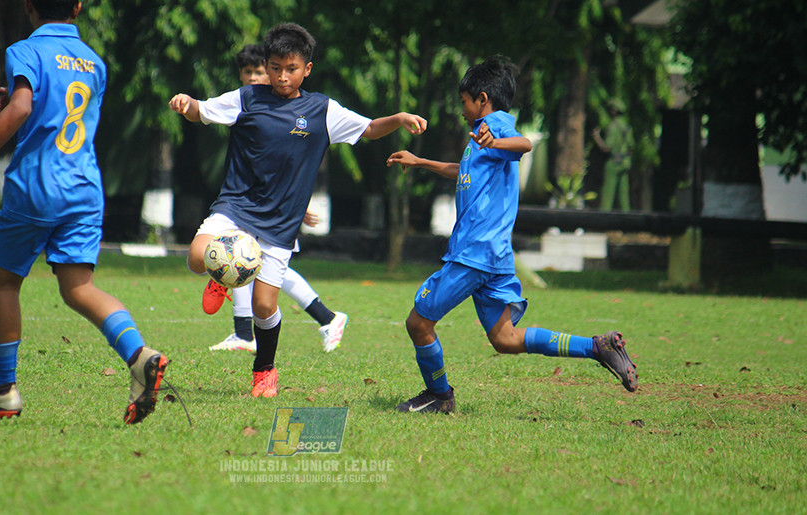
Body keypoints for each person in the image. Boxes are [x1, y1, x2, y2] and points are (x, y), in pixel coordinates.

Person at [0, 0, 168, 424]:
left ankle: (3, 393)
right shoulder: (94, 63)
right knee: (78, 286)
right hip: (84, 187)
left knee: (4, 280)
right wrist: (26, 99)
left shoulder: (24, 50)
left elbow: (23, 108)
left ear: (28, 3)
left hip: (38, 184)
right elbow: (60, 108)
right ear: (78, 8)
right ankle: (140, 355)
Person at [169, 23, 426, 397]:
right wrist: (186, 104)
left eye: (291, 69)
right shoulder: (248, 98)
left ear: (307, 69)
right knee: (195, 257)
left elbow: (368, 129)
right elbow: (203, 112)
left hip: (280, 223)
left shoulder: (321, 109)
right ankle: (222, 274)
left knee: (263, 305)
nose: (281, 76)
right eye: (274, 67)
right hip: (237, 205)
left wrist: (399, 119)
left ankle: (264, 370)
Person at [386, 55, 637, 414]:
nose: (462, 110)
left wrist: (495, 141)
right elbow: (467, 171)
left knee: (418, 323)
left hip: (474, 253)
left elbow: (523, 145)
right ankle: (597, 346)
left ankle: (439, 396)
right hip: (495, 256)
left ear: (482, 99)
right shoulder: (481, 138)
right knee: (506, 339)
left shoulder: (497, 123)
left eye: (464, 102)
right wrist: (421, 162)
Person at [206, 44, 347, 355]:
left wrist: (302, 204)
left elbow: (289, 163)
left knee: (258, 267)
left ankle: (326, 317)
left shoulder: (288, 109)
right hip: (250, 206)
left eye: (260, 72)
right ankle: (245, 332)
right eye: (248, 73)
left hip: (277, 213)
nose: (255, 79)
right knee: (245, 262)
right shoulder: (246, 105)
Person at [592, 97, 633, 211]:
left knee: (608, 193)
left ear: (613, 111)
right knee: (624, 195)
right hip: (625, 162)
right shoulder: (627, 127)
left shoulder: (613, 126)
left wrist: (597, 137)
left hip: (614, 162)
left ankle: (604, 221)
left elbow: (606, 148)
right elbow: (631, 147)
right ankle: (628, 222)